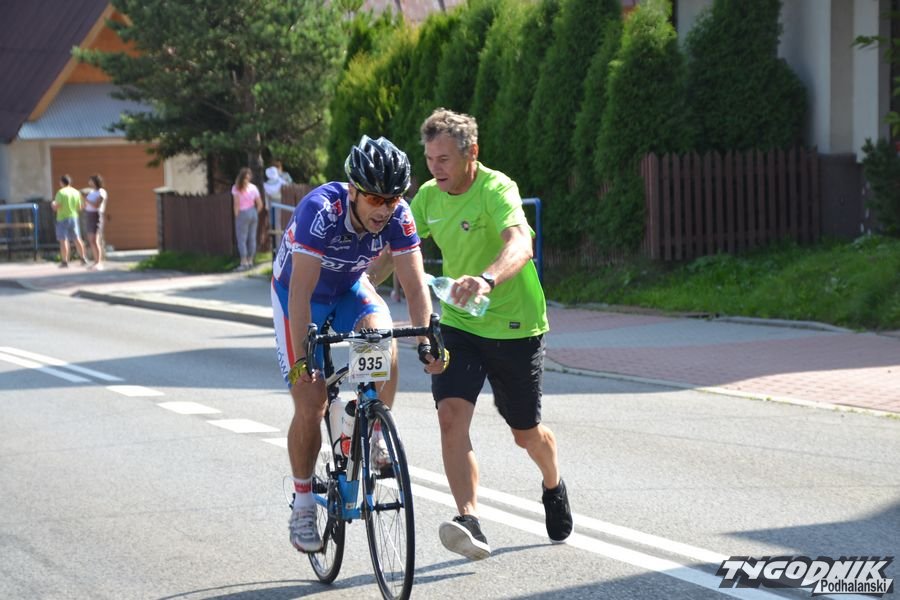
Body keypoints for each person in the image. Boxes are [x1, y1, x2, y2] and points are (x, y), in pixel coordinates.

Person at [409, 108, 573, 560]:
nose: (436, 168)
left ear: (471, 153)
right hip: (460, 324)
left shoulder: (496, 188)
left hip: (514, 325)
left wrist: (485, 279)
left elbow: (520, 243)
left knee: (525, 433)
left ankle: (553, 483)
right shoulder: (427, 198)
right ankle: (469, 519)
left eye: (444, 159)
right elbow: (396, 250)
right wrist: (356, 280)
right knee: (450, 415)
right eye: (430, 159)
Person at [271, 135, 446, 553]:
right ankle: (303, 503)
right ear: (353, 190)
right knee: (311, 401)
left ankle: (371, 429)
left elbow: (414, 284)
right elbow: (300, 294)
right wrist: (304, 360)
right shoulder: (320, 211)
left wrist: (426, 339)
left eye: (392, 198)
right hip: (299, 296)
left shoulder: (399, 216)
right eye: (374, 198)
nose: (384, 208)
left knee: (381, 336)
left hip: (349, 288)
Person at [51, 174, 87, 268]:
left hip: (62, 218)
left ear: (61, 182)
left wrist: (53, 204)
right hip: (74, 217)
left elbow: (57, 206)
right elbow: (80, 206)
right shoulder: (76, 192)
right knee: (77, 238)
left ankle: (65, 261)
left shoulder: (61, 192)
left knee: (63, 240)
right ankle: (83, 258)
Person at [232, 167, 263, 271]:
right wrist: (255, 212)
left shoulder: (236, 188)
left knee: (242, 238)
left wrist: (236, 215)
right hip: (253, 212)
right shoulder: (253, 188)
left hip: (242, 212)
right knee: (252, 237)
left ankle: (243, 261)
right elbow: (260, 204)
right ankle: (250, 261)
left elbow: (236, 204)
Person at [83, 174, 108, 270]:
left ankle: (99, 262)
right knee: (91, 240)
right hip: (89, 215)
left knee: (95, 240)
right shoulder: (91, 192)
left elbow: (97, 205)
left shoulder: (101, 192)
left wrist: (87, 200)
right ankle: (95, 261)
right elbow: (87, 204)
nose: (89, 182)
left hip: (96, 216)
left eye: (91, 180)